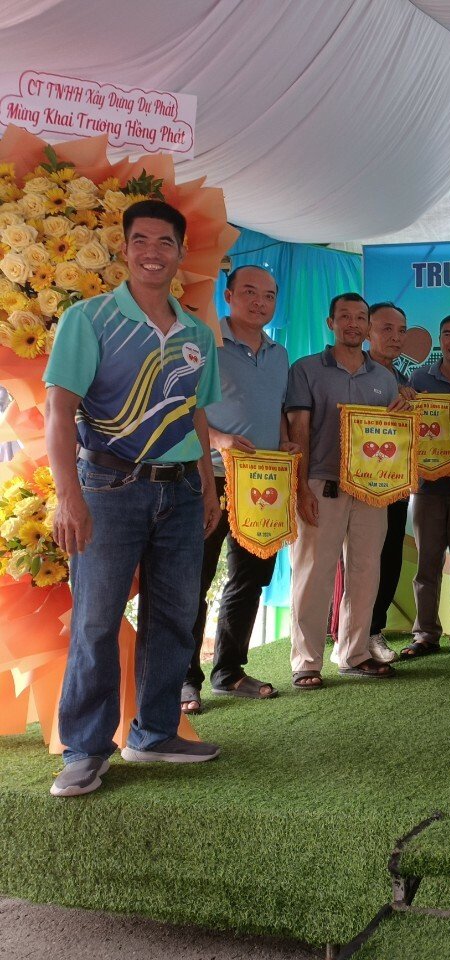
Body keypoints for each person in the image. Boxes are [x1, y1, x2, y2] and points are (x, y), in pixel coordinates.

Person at [46, 199, 222, 796]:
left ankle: (154, 733)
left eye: (164, 242)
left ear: (180, 252)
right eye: (141, 240)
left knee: (174, 615)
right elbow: (59, 412)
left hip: (182, 491)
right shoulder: (89, 318)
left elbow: (195, 414)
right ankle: (85, 750)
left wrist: (207, 484)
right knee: (96, 620)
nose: (152, 252)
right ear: (124, 249)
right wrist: (68, 497)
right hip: (107, 488)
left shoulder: (198, 333)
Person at [181, 265, 293, 715]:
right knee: (195, 580)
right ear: (228, 296)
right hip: (209, 478)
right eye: (249, 292)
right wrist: (220, 440)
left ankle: (229, 671)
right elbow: (185, 408)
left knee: (250, 579)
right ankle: (185, 680)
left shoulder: (279, 353)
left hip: (263, 482)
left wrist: (285, 440)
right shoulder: (204, 342)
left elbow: (278, 408)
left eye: (269, 295)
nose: (259, 302)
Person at [285, 293, 403, 689]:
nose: (353, 324)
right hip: (322, 484)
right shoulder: (305, 369)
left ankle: (354, 654)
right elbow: (299, 429)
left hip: (372, 490)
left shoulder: (384, 378)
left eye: (360, 318)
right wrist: (301, 487)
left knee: (366, 572)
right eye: (345, 317)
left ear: (368, 326)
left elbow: (391, 436)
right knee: (312, 573)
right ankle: (306, 661)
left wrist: (403, 419)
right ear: (330, 322)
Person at [401, 313, 450, 660]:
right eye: (448, 334)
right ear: (440, 340)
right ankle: (425, 633)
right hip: (427, 488)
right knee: (427, 565)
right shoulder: (419, 379)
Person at [362, 302, 420, 664]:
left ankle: (373, 630)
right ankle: (349, 632)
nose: (395, 337)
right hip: (359, 485)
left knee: (389, 556)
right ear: (368, 331)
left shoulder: (404, 379)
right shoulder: (355, 371)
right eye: (386, 329)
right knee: (359, 560)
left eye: (400, 331)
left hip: (396, 483)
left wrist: (411, 405)